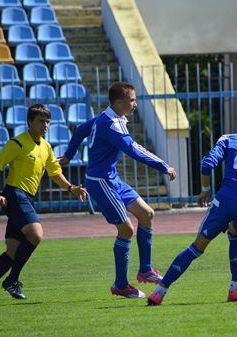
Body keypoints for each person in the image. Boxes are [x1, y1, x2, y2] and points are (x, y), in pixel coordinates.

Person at [147, 106, 237, 306]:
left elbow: (206, 165)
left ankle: (159, 292)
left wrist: (205, 189)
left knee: (197, 247)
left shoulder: (228, 139)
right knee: (235, 234)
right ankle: (236, 287)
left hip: (226, 200)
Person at [60, 82, 176, 299]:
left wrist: (69, 154)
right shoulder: (111, 124)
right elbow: (134, 150)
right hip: (100, 181)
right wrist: (163, 165)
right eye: (131, 100)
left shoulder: (105, 118)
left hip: (112, 178)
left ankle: (146, 270)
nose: (134, 105)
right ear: (119, 102)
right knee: (126, 230)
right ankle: (121, 285)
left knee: (147, 214)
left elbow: (83, 129)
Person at [0, 104, 87, 301]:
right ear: (30, 122)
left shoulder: (46, 146)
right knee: (36, 234)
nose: (46, 125)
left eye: (48, 121)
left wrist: (71, 188)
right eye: (41, 121)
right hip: (15, 194)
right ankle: (12, 280)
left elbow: (54, 172)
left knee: (13, 250)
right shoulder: (17, 143)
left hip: (27, 198)